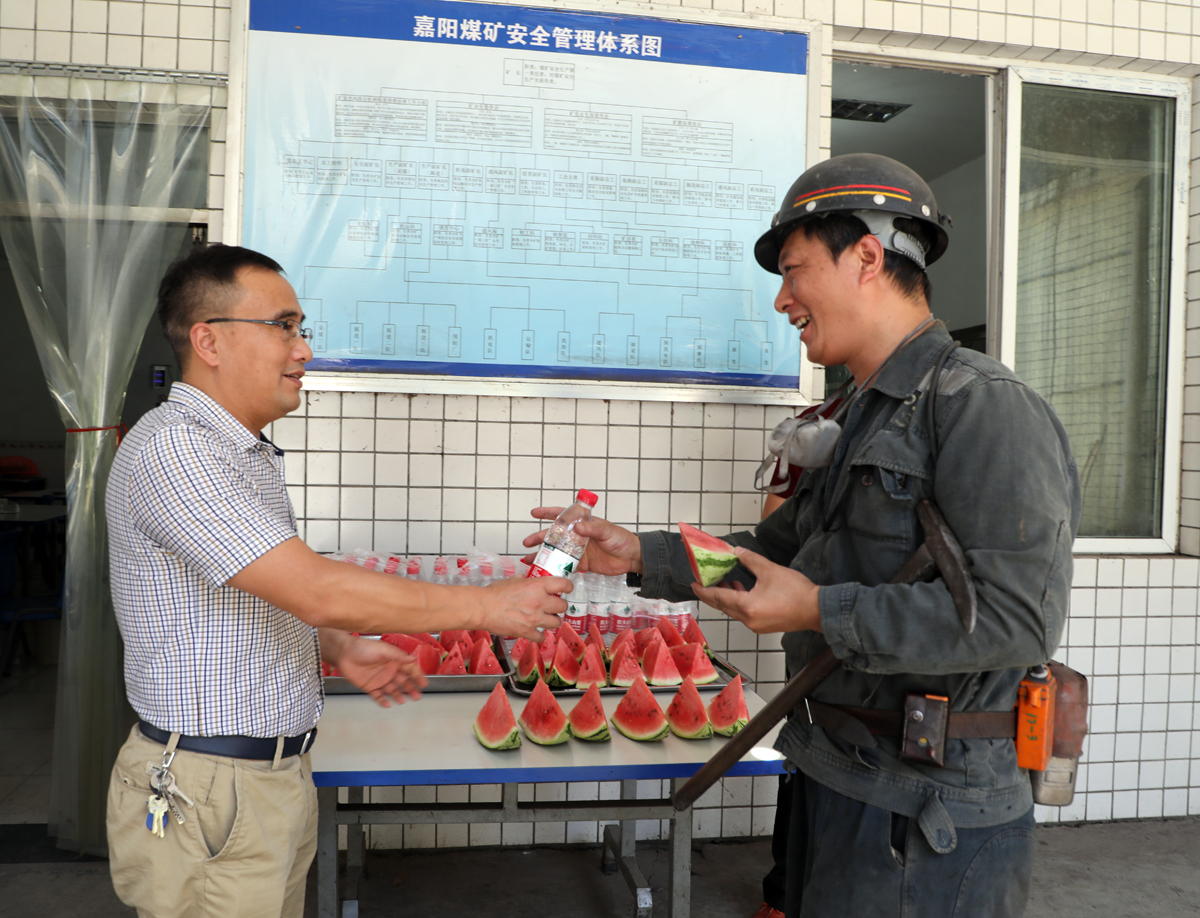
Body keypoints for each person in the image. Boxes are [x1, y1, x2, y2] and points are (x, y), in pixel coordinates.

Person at [526, 154, 1081, 918]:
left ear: (867, 258)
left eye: (793, 271)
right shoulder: (863, 415)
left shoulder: (983, 407)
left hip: (927, 813)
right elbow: (776, 552)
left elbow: (1018, 621)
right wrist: (641, 554)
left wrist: (819, 610)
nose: (782, 299)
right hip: (836, 772)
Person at [105, 244, 569, 918]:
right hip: (210, 789)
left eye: (301, 329)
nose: (304, 350)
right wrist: (486, 606)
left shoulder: (239, 452)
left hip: (261, 781)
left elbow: (249, 590)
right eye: (282, 327)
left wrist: (336, 645)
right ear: (208, 341)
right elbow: (316, 587)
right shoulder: (177, 449)